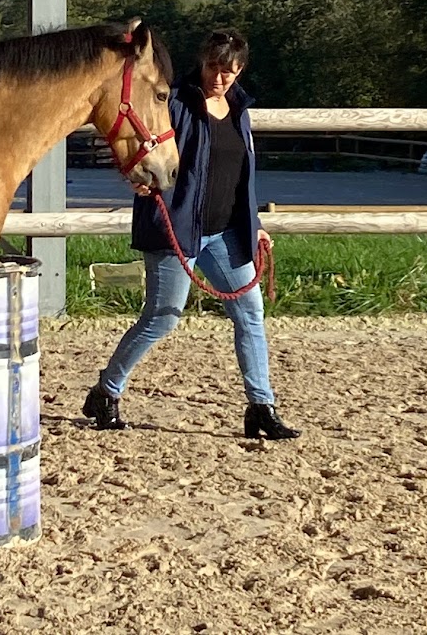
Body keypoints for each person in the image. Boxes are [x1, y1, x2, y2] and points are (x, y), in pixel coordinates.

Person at [82, 29, 300, 440]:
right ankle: (106, 391)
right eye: (214, 69)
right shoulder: (175, 102)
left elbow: (239, 175)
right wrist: (139, 181)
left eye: (229, 72)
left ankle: (261, 406)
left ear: (240, 71)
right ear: (201, 62)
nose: (219, 79)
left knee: (250, 314)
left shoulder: (240, 109)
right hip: (175, 228)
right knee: (162, 319)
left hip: (226, 234)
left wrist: (255, 225)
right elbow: (144, 148)